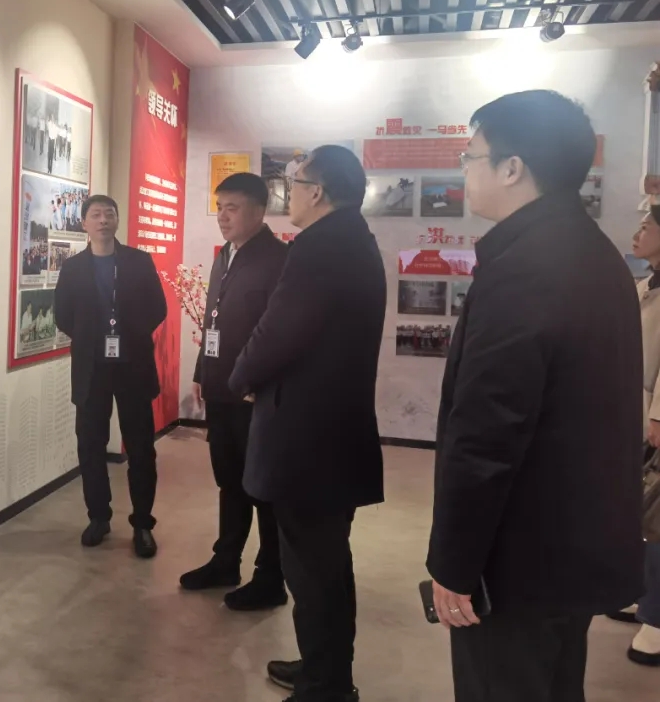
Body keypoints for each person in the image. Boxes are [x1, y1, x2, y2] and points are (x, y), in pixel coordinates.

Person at [426, 91, 643, 702]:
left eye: (471, 156)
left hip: (518, 558)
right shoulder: (593, 252)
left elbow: (486, 433)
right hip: (570, 546)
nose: (464, 170)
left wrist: (454, 562)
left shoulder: (523, 267)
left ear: (512, 168)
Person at [230, 145, 386, 702]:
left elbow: (278, 331)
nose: (287, 194)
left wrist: (240, 376)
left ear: (316, 192)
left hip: (308, 442)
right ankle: (325, 668)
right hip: (332, 436)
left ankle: (326, 686)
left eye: (293, 185)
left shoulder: (320, 247)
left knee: (315, 571)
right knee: (326, 565)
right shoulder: (354, 239)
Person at [182, 173, 289, 611]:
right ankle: (226, 561)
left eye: (233, 208)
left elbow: (279, 333)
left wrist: (258, 381)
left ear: (259, 211)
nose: (223, 217)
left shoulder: (280, 259)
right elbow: (213, 318)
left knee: (262, 486)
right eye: (220, 207)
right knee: (229, 481)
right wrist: (201, 370)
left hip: (253, 394)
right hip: (222, 389)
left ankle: (271, 577)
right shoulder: (225, 255)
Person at [54, 195, 167, 558]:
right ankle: (98, 517)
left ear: (117, 220)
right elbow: (62, 315)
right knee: (90, 446)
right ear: (84, 223)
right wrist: (90, 338)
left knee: (141, 448)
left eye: (109, 214)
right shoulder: (72, 268)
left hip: (133, 366)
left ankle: (143, 523)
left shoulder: (138, 261)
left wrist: (129, 334)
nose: (103, 220)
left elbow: (158, 308)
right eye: (95, 214)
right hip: (92, 369)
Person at [612, 203, 660, 665]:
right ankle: (643, 594)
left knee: (658, 518)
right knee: (639, 511)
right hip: (636, 412)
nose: (638, 233)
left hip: (655, 418)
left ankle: (657, 619)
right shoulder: (646, 285)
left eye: (647, 226)